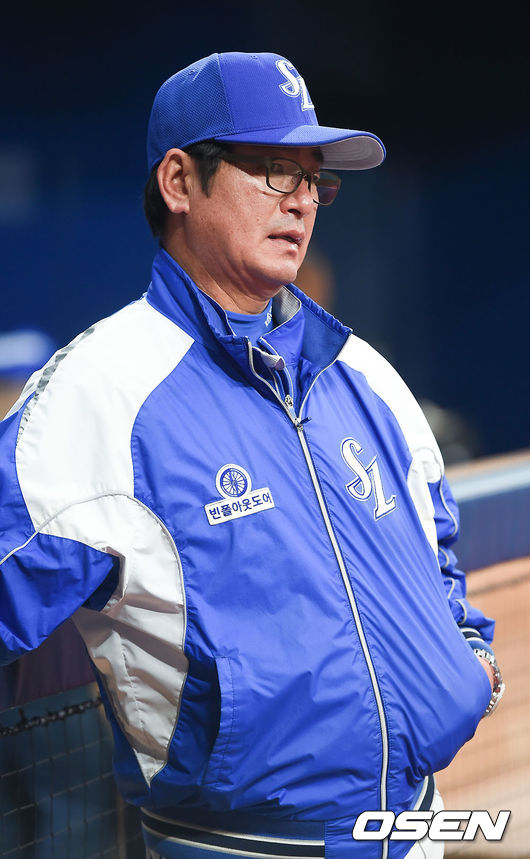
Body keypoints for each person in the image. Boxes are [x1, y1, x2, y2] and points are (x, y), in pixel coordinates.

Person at [0, 52, 504, 859]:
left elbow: (438, 552)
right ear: (179, 181)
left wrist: (471, 661)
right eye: (273, 170)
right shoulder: (100, 394)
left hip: (415, 827)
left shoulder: (364, 373)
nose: (301, 199)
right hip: (240, 844)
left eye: (314, 178)